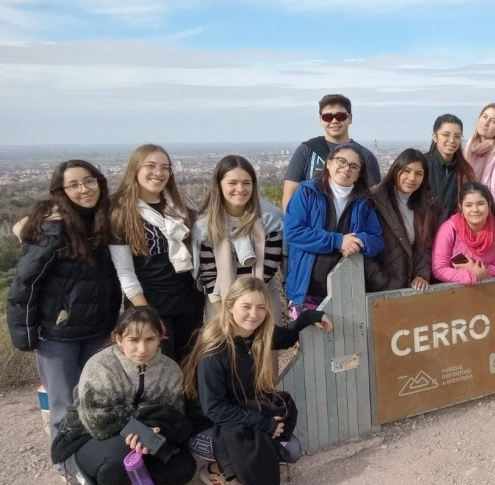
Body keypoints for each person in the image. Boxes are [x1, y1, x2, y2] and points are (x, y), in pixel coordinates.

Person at [6, 160, 122, 485]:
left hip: (96, 330)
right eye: (74, 185)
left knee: (93, 401)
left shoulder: (103, 221)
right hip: (57, 334)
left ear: (99, 182)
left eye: (89, 181)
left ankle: (90, 456)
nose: (84, 189)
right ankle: (69, 468)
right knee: (64, 406)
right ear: (62, 191)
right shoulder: (53, 228)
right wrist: (24, 334)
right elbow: (25, 284)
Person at [183, 277, 331, 485]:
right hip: (208, 426)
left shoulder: (258, 335)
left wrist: (311, 316)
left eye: (261, 307)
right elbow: (214, 408)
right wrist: (263, 424)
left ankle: (253, 464)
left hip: (242, 412)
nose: (254, 314)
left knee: (291, 450)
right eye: (247, 306)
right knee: (261, 448)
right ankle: (214, 472)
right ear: (230, 305)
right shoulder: (215, 349)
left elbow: (287, 336)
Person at [51, 307, 197, 485]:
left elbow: (175, 414)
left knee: (182, 468)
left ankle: (130, 481)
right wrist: (141, 426)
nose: (142, 349)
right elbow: (96, 420)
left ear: (160, 338)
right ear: (119, 338)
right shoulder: (100, 365)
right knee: (121, 450)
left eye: (150, 339)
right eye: (133, 340)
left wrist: (156, 429)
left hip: (145, 433)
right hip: (90, 438)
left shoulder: (169, 369)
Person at [109, 144, 204, 364]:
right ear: (135, 169)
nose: (158, 173)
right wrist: (146, 313)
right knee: (158, 366)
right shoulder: (121, 211)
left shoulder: (180, 204)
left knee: (190, 365)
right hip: (149, 302)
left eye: (165, 167)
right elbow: (125, 271)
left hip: (188, 300)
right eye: (150, 166)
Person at [284, 142, 384, 309]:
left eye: (353, 166)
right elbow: (292, 232)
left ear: (358, 174)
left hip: (348, 291)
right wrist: (337, 241)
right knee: (307, 335)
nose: (346, 168)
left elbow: (377, 241)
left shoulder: (363, 202)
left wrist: (357, 241)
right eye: (341, 161)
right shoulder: (307, 192)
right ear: (328, 163)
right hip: (306, 289)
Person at [192, 155, 285, 322]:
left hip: (263, 298)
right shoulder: (205, 226)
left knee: (267, 347)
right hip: (220, 301)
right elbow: (209, 275)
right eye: (232, 183)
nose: (240, 189)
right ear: (219, 185)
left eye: (246, 183)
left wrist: (250, 309)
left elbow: (269, 269)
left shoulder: (271, 220)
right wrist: (226, 314)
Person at [281, 93, 381, 209]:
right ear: (321, 120)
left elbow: (373, 199)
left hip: (350, 223)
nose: (334, 121)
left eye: (340, 116)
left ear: (350, 118)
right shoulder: (307, 150)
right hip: (310, 224)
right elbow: (290, 194)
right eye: (327, 117)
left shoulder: (364, 156)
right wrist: (291, 225)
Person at [364, 148, 436, 292]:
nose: (411, 178)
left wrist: (421, 275)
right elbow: (365, 248)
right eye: (406, 171)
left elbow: (424, 245)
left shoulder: (425, 205)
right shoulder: (374, 200)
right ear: (395, 169)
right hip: (379, 289)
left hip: (411, 288)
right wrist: (383, 282)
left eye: (418, 174)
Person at [431, 182, 495, 285]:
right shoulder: (449, 229)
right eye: (468, 205)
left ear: (489, 204)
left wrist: (481, 271)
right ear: (461, 207)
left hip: (487, 293)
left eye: (480, 204)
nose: (475, 210)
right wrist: (472, 275)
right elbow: (439, 269)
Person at [425, 114, 475, 225]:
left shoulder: (465, 171)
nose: (452, 140)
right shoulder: (422, 165)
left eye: (457, 136)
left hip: (453, 233)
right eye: (446, 135)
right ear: (435, 137)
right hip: (423, 233)